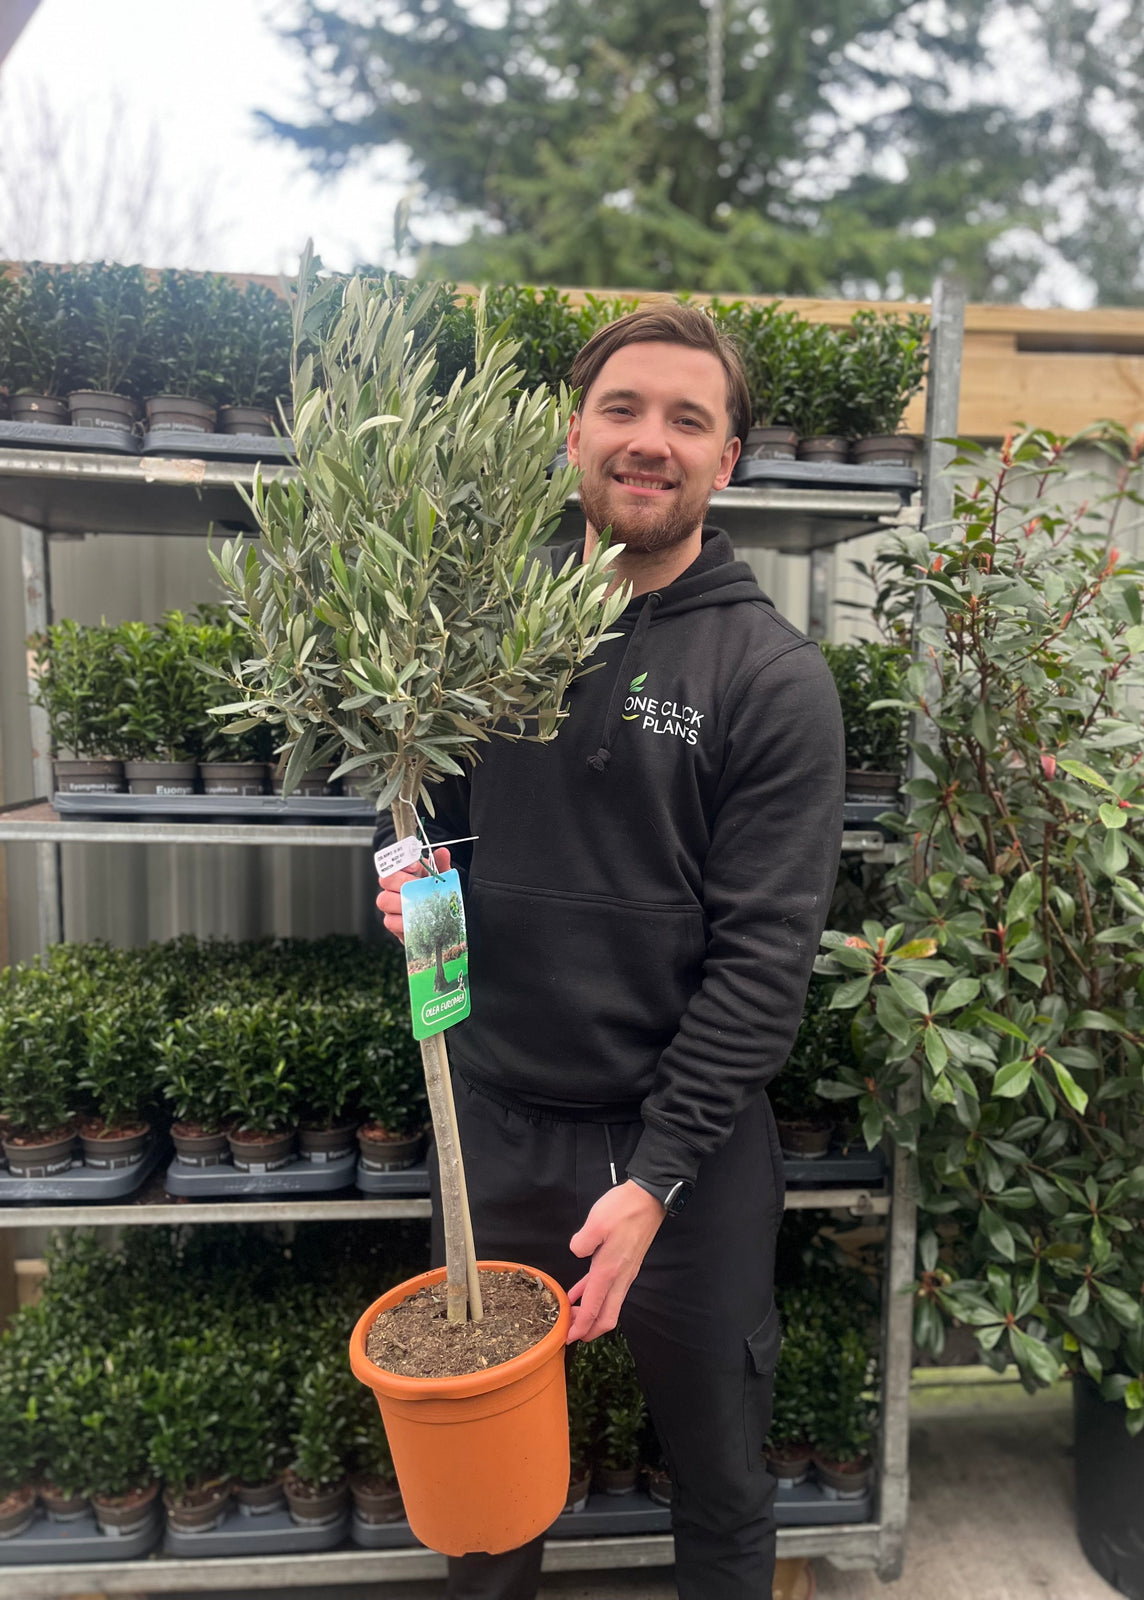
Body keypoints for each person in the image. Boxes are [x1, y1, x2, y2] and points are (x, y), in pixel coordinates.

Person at [374, 303, 845, 1600]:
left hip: (681, 1158)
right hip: (498, 1129)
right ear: (574, 434)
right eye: (624, 410)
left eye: (688, 419)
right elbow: (434, 830)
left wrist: (658, 1180)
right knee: (484, 1501)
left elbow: (763, 964)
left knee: (724, 1478)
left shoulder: (770, 677)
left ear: (729, 460)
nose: (650, 441)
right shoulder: (486, 642)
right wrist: (420, 902)